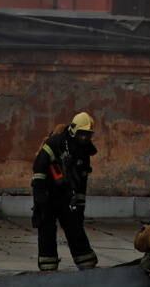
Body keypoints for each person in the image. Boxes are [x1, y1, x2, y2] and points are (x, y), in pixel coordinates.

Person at [31, 111, 99, 272]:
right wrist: (40, 195)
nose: (84, 138)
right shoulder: (55, 143)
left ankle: (86, 263)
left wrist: (80, 205)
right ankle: (48, 267)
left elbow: (82, 182)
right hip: (47, 193)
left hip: (65, 194)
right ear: (73, 130)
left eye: (87, 135)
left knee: (74, 225)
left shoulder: (84, 152)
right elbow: (39, 165)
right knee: (46, 228)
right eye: (82, 134)